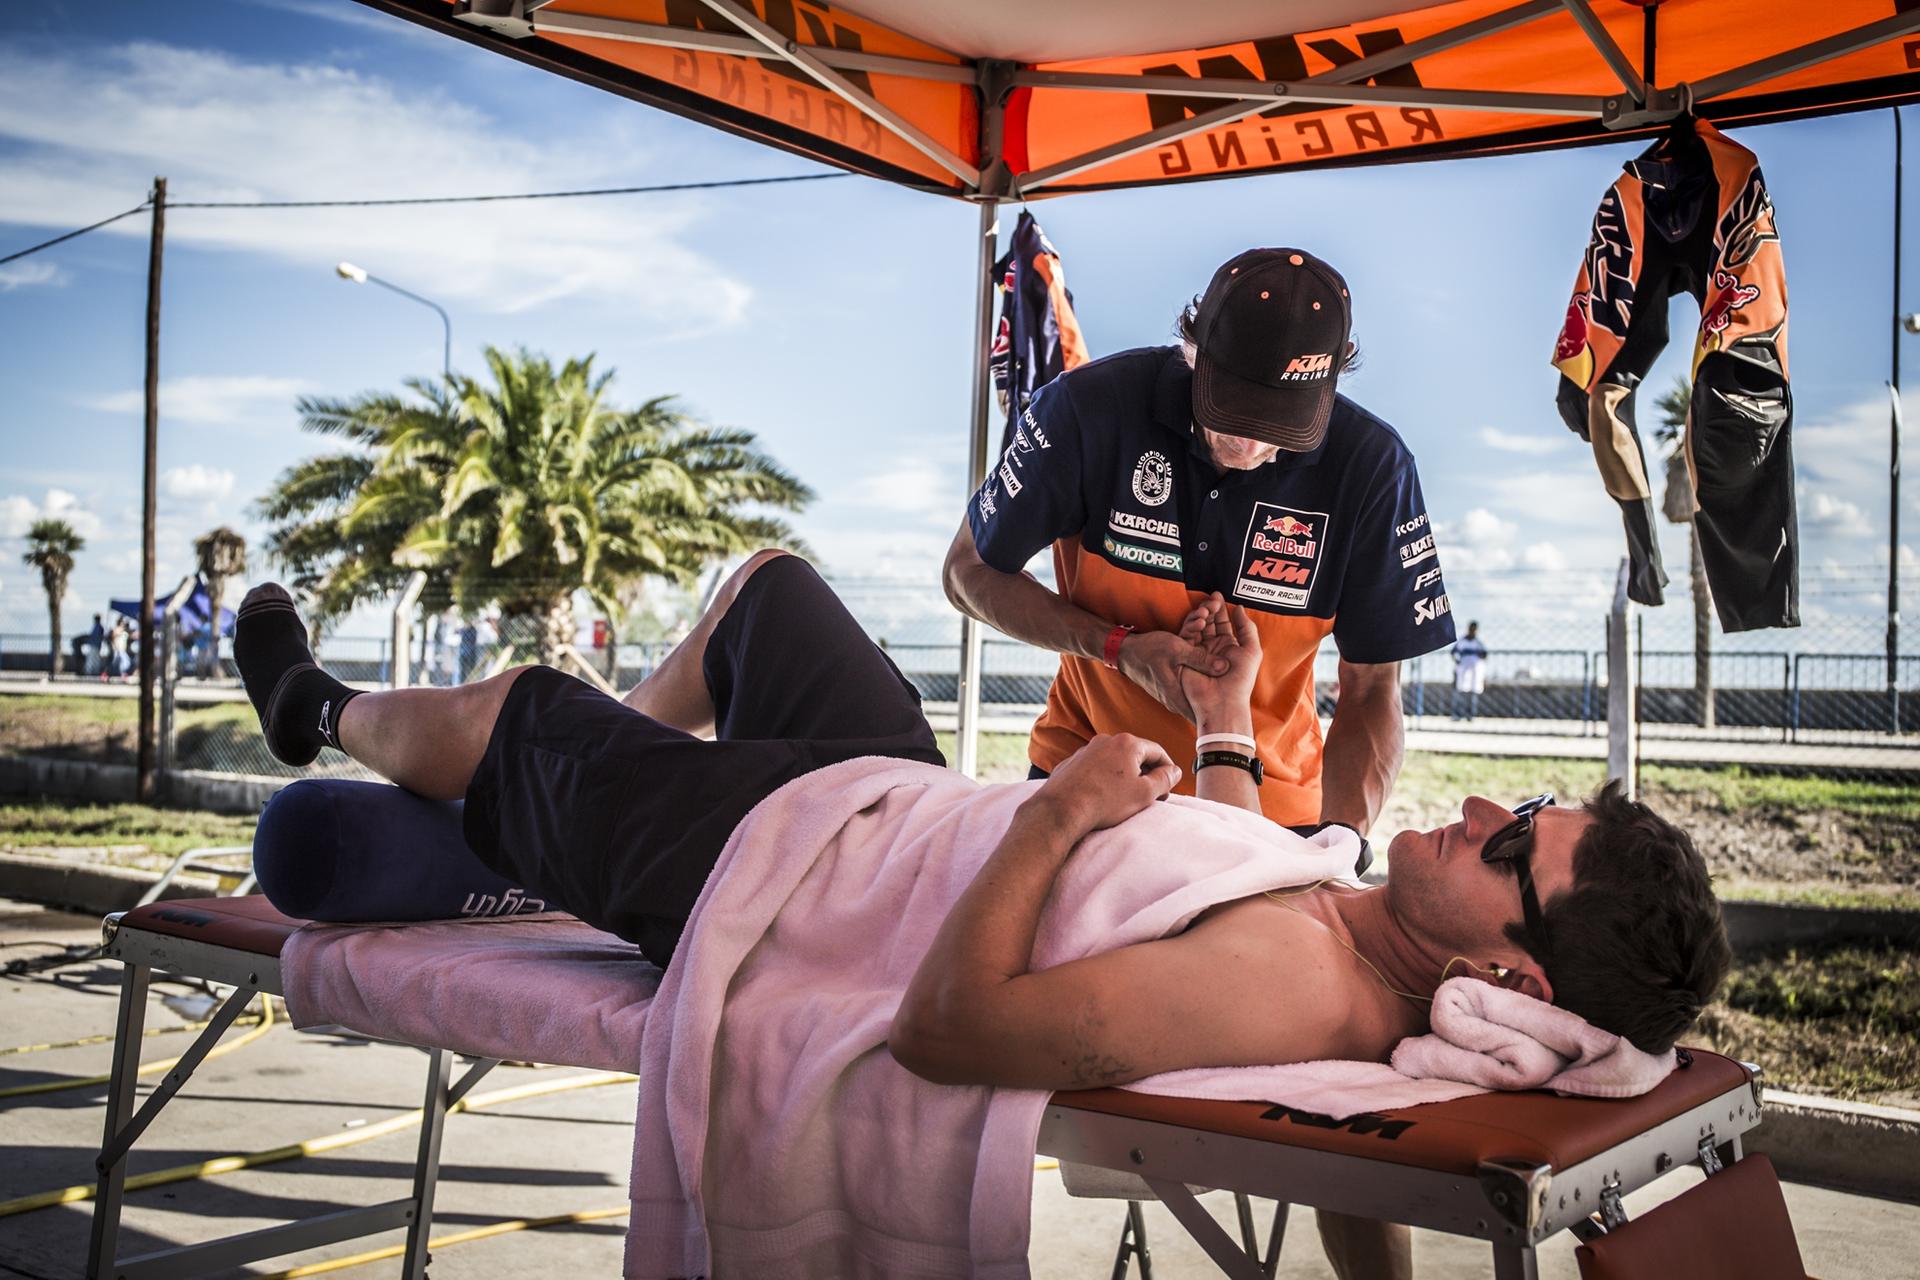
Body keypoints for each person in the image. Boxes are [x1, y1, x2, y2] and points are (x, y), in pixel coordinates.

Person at [234, 552, 1727, 1076]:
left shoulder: (1300, 983)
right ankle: (556, 813)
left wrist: (1058, 814)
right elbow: (1226, 857)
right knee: (768, 590)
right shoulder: (1350, 923)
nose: (1479, 806)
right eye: (1523, 802)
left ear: (1502, 977)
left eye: (1517, 845)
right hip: (883, 800)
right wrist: (1223, 725)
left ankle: (318, 713)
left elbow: (949, 1033)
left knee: (514, 707)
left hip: (793, 869)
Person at [945, 248, 1453, 853]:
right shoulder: (1087, 409)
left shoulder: (1372, 468)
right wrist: (1118, 648)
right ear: (1193, 351)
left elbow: (1372, 691)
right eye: (1234, 406)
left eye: (1282, 423)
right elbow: (966, 571)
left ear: (1332, 383)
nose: (1250, 439)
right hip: (1089, 777)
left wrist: (1342, 844)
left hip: (1276, 808)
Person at [1452, 620, 1489, 721]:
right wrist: (1458, 662)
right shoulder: (1462, 641)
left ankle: (1470, 715)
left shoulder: (1478, 643)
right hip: (1463, 670)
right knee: (1460, 693)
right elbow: (1453, 652)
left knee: (1472, 693)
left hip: (1474, 671)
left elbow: (1485, 655)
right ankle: (1457, 714)